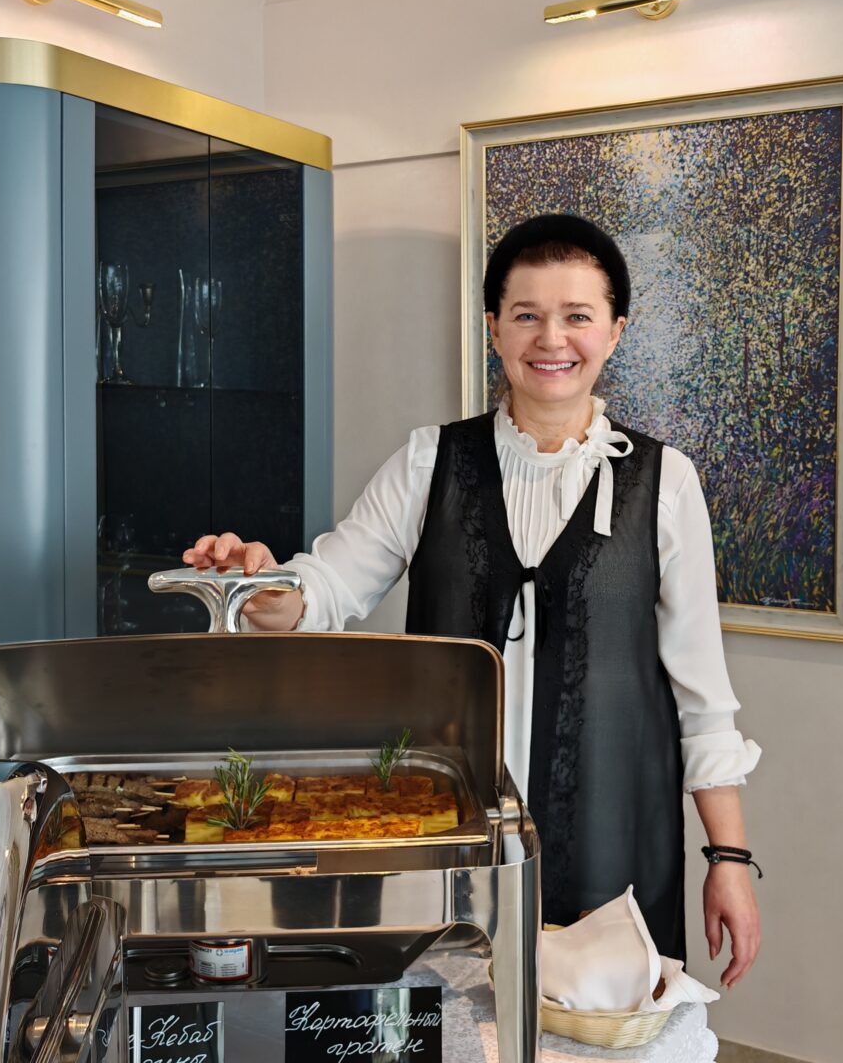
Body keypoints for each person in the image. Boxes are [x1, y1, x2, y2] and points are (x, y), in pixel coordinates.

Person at [184, 214, 761, 987]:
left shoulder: (664, 482)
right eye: (526, 315)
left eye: (577, 316)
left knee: (596, 1029)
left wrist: (729, 857)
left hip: (617, 841)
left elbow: (703, 698)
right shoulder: (432, 462)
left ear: (615, 331)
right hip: (447, 838)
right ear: (494, 328)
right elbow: (322, 592)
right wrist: (257, 582)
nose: (551, 339)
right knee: (454, 1026)